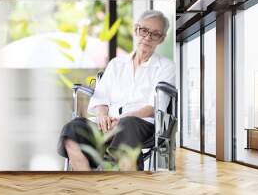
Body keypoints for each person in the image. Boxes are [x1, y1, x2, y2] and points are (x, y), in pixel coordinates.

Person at [57, 10, 176, 171]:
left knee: (127, 125)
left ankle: (115, 182)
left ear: (162, 38)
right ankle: (87, 184)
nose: (147, 37)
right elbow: (101, 99)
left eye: (155, 34)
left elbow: (154, 107)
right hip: (108, 123)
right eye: (144, 30)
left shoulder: (166, 67)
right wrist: (102, 116)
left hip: (140, 124)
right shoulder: (116, 64)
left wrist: (122, 118)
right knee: (72, 128)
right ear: (136, 30)